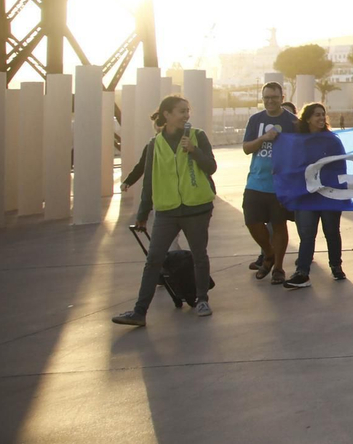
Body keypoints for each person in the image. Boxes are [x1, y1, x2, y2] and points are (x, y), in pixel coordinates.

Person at [112, 96, 218, 325]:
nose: (186, 115)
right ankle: (140, 312)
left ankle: (201, 299)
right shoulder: (154, 144)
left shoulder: (197, 136)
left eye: (188, 111)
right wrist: (143, 213)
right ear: (167, 114)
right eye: (181, 111)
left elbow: (211, 166)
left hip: (197, 207)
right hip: (167, 211)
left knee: (199, 256)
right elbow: (149, 179)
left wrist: (193, 151)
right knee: (153, 260)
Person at [240, 81, 298, 284]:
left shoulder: (292, 121)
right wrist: (264, 138)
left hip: (281, 185)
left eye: (274, 97)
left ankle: (278, 268)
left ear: (282, 98)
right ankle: (268, 253)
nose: (270, 101)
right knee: (252, 221)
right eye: (266, 98)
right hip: (256, 181)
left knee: (279, 224)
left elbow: (302, 150)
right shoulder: (256, 119)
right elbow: (247, 148)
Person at [285, 102, 346, 288]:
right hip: (306, 196)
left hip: (328, 194)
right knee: (307, 234)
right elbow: (291, 165)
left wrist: (340, 191)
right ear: (308, 118)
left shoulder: (333, 140)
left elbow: (341, 165)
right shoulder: (298, 141)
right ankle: (302, 272)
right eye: (316, 115)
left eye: (323, 114)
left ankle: (336, 265)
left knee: (331, 231)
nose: (320, 118)